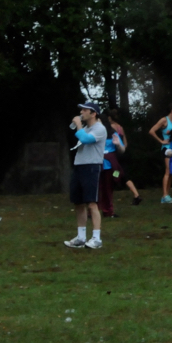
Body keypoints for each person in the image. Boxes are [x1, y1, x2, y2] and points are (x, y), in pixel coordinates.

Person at [65, 101, 107, 249]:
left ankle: (96, 238)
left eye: (84, 110)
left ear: (93, 113)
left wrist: (78, 125)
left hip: (91, 167)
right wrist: (79, 127)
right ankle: (81, 237)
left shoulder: (99, 128)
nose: (81, 113)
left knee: (91, 203)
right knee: (78, 203)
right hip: (79, 166)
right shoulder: (87, 128)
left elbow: (86, 140)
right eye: (81, 110)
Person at [149, 102, 172, 203]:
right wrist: (161, 141)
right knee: (168, 171)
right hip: (166, 149)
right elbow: (151, 131)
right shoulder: (164, 120)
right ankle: (164, 195)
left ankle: (166, 194)